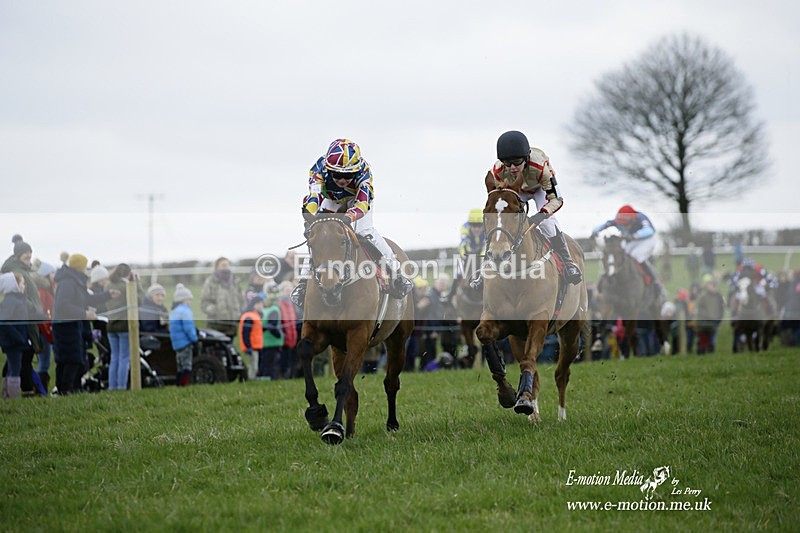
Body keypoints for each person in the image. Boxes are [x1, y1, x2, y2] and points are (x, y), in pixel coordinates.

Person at [292, 138, 413, 306]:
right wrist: (310, 222)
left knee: (365, 231)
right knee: (319, 234)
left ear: (355, 171)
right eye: (337, 175)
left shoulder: (365, 172)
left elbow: (362, 204)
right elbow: (314, 198)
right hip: (331, 198)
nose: (342, 180)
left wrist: (348, 218)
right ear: (328, 169)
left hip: (357, 200)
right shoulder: (317, 170)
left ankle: (397, 274)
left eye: (348, 175)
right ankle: (303, 283)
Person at [479, 131, 582, 286]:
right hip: (515, 191)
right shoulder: (498, 171)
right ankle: (485, 269)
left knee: (548, 223)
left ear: (526, 158)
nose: (512, 167)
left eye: (517, 161)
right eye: (507, 163)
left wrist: (542, 214)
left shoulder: (540, 167)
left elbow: (557, 199)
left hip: (540, 190)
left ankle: (568, 264)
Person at [52, 254, 117, 394]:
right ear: (79, 267)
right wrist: (84, 314)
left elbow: (87, 299)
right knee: (70, 360)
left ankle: (74, 390)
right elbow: (62, 305)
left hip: (73, 326)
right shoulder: (68, 282)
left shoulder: (75, 281)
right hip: (65, 328)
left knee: (76, 359)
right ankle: (65, 391)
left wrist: (108, 295)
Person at [2, 235, 46, 395]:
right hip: (24, 320)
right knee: (24, 358)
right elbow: (20, 296)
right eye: (25, 253)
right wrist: (35, 311)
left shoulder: (23, 270)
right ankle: (26, 391)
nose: (29, 255)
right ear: (17, 255)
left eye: (30, 252)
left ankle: (11, 390)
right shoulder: (14, 272)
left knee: (18, 360)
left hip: (29, 319)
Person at [592, 205, 661, 292]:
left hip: (647, 239)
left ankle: (654, 282)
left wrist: (635, 235)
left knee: (636, 256)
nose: (623, 227)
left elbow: (649, 230)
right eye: (621, 224)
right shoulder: (619, 220)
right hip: (631, 240)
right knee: (618, 254)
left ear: (632, 220)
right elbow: (605, 225)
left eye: (626, 224)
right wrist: (595, 231)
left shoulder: (640, 217)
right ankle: (605, 276)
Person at [105, 264, 143, 391]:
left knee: (114, 357)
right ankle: (121, 387)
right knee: (124, 358)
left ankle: (112, 386)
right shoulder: (126, 286)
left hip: (111, 325)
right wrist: (137, 283)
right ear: (128, 273)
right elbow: (139, 300)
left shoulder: (108, 284)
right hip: (123, 325)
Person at [0, 272, 31, 399]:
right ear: (14, 285)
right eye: (22, 283)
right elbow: (4, 322)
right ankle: (13, 397)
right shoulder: (11, 301)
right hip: (13, 342)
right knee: (15, 369)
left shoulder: (16, 299)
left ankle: (7, 394)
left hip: (16, 341)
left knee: (12, 367)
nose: (24, 285)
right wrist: (19, 338)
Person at [201, 257, 244, 338]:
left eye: (227, 265)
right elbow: (204, 303)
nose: (226, 267)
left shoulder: (235, 282)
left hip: (232, 326)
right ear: (217, 267)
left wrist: (239, 313)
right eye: (223, 265)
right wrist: (217, 311)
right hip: (216, 326)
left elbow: (241, 300)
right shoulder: (210, 282)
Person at [169, 283, 197, 387]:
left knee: (179, 366)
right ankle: (184, 385)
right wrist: (194, 338)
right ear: (184, 300)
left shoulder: (174, 312)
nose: (190, 302)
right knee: (187, 366)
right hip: (185, 343)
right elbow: (188, 327)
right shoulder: (186, 311)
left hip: (176, 344)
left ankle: (178, 384)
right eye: (189, 299)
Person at [35, 262, 57, 391]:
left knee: (45, 362)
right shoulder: (42, 291)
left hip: (45, 328)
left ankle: (41, 389)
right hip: (43, 330)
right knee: (44, 362)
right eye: (52, 273)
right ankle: (40, 389)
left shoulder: (47, 289)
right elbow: (42, 311)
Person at [694, 274, 725, 354]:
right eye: (709, 285)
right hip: (703, 322)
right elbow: (698, 304)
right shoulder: (703, 295)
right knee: (703, 339)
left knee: (711, 339)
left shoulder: (718, 296)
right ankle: (702, 352)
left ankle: (709, 351)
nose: (710, 287)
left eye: (712, 285)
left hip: (714, 321)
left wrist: (719, 318)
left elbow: (721, 308)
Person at [238, 293, 265, 380]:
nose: (261, 306)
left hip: (255, 346)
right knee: (253, 367)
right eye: (259, 304)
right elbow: (245, 333)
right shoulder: (249, 316)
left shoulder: (255, 315)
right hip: (251, 347)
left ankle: (251, 380)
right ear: (254, 305)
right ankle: (250, 380)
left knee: (254, 366)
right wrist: (248, 346)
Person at [261, 285, 284, 379]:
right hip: (269, 342)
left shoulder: (269, 310)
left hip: (268, 342)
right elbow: (272, 325)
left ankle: (268, 378)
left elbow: (271, 325)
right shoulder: (272, 309)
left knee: (268, 363)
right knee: (269, 363)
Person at [277, 281, 298, 378]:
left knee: (290, 357)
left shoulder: (291, 303)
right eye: (287, 290)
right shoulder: (280, 303)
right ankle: (282, 374)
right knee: (283, 357)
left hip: (292, 334)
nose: (289, 292)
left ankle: (289, 374)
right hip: (284, 334)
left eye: (290, 290)